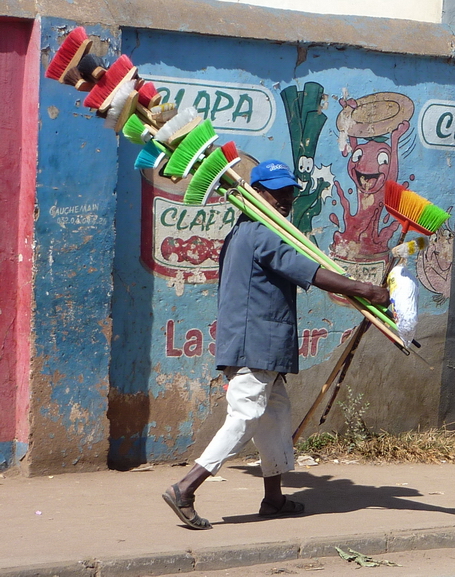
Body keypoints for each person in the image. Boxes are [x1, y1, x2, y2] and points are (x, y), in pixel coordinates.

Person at [162, 159, 390, 530]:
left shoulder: (244, 230)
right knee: (246, 416)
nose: (284, 199)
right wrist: (364, 290)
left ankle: (273, 498)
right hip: (257, 341)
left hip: (263, 340)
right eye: (275, 191)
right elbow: (308, 271)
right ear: (256, 192)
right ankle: (186, 488)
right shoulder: (262, 233)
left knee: (275, 418)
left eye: (288, 192)